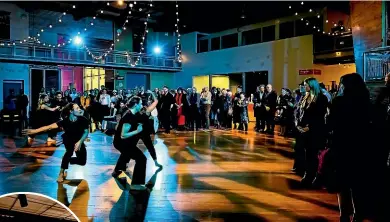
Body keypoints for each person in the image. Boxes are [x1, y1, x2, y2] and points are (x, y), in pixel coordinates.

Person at [23, 103, 90, 183]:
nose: (80, 110)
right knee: (69, 152)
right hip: (68, 139)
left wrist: (80, 142)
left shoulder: (83, 119)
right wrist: (34, 131)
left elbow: (86, 132)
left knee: (82, 162)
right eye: (77, 108)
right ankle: (61, 173)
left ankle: (67, 160)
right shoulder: (64, 121)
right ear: (71, 111)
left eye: (79, 108)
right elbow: (49, 127)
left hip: (79, 140)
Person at [112, 96, 149, 191]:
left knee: (125, 155)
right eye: (140, 103)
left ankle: (116, 171)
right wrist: (137, 131)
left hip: (126, 142)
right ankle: (137, 184)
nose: (141, 105)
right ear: (136, 104)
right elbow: (123, 135)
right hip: (122, 142)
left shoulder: (133, 113)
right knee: (141, 159)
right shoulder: (128, 116)